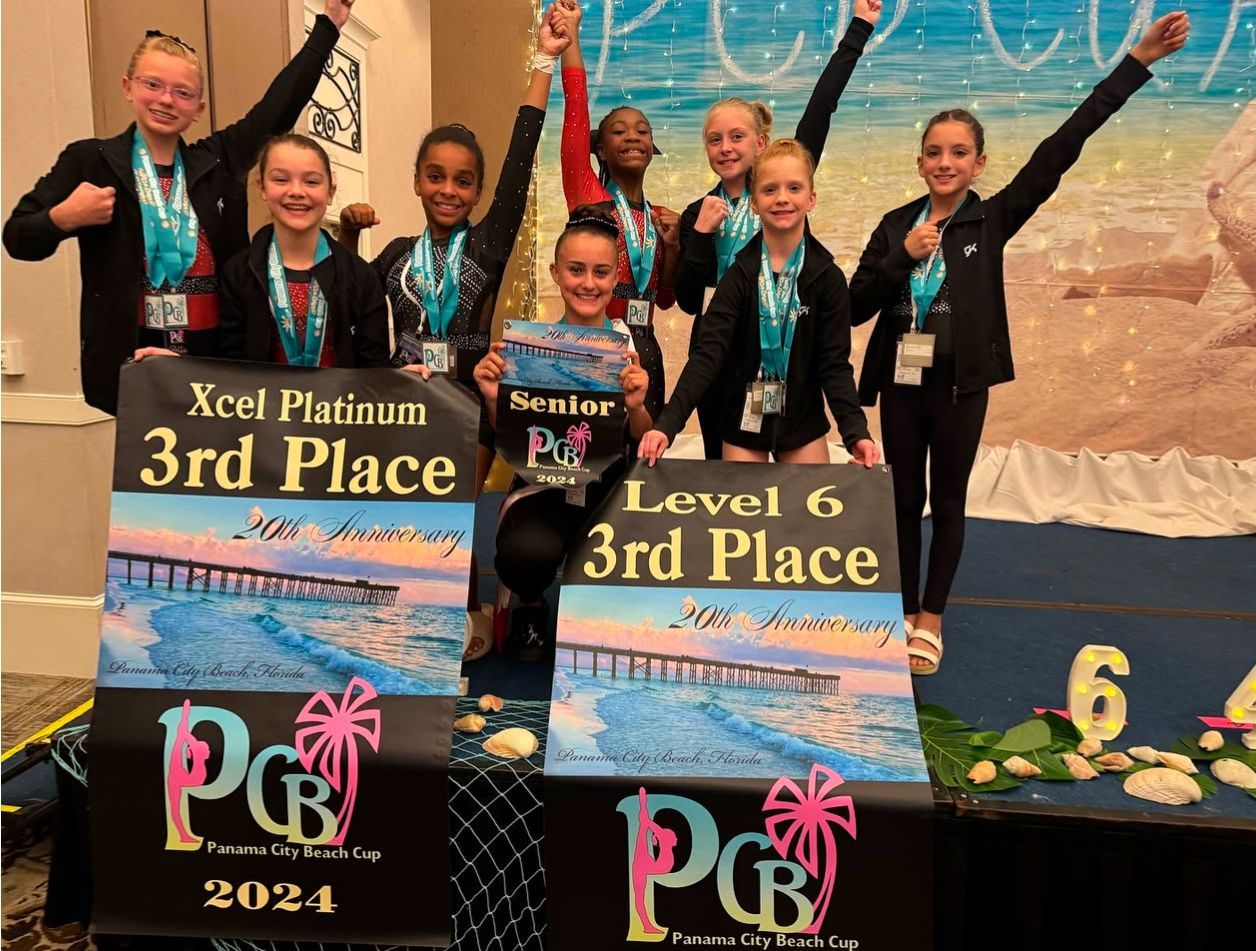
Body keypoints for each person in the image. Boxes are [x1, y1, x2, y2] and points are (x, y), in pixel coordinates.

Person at [846, 12, 1191, 675]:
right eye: (933, 151)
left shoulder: (992, 216)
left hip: (959, 388)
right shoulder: (895, 225)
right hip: (899, 385)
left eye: (958, 152)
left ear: (978, 162)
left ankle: (931, 618)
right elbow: (856, 305)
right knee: (898, 501)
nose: (944, 162)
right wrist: (900, 259)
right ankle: (899, 606)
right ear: (919, 161)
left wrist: (1138, 62)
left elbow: (1064, 145)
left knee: (946, 501)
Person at [2, 0, 359, 414]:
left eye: (183, 93)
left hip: (218, 371)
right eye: (152, 85)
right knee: (148, 477)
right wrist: (62, 218)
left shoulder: (218, 163)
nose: (166, 100)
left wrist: (328, 26)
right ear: (127, 87)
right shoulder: (91, 163)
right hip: (135, 368)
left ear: (198, 109)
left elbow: (278, 106)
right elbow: (18, 237)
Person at [336, 2, 572, 485]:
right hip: (400, 407)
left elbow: (521, 154)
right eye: (436, 177)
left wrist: (544, 58)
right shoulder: (396, 254)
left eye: (464, 181)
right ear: (417, 182)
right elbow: (343, 296)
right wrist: (349, 233)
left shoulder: (488, 245)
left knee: (455, 532)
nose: (449, 190)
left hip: (468, 402)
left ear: (479, 191)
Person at [674, 0, 883, 458]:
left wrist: (860, 29)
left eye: (737, 137)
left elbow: (822, 105)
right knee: (729, 486)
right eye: (715, 139)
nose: (726, 148)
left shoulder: (778, 192)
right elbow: (690, 301)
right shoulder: (696, 213)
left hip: (783, 351)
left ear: (760, 143)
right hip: (719, 358)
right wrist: (702, 238)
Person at [474, 207, 651, 659]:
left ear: (616, 277)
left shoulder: (632, 347)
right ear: (556, 272)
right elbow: (510, 440)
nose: (588, 283)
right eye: (576, 270)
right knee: (523, 554)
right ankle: (529, 601)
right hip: (543, 485)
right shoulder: (529, 347)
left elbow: (648, 439)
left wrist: (636, 408)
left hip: (608, 486)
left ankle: (594, 612)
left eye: (600, 272)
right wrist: (495, 396)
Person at [639, 140, 879, 468]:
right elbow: (707, 357)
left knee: (806, 515)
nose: (782, 198)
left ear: (811, 199)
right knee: (746, 517)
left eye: (793, 188)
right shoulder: (737, 279)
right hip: (743, 424)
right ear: (754, 203)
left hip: (802, 424)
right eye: (769, 190)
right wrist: (666, 425)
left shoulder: (828, 278)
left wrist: (857, 434)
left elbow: (834, 366)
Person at [553, 0, 678, 422]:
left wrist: (674, 247)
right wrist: (571, 35)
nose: (633, 137)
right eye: (619, 131)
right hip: (591, 342)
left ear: (652, 148)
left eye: (642, 131)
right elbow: (576, 102)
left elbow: (666, 298)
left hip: (647, 352)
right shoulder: (587, 194)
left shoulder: (661, 217)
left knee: (643, 465)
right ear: (600, 149)